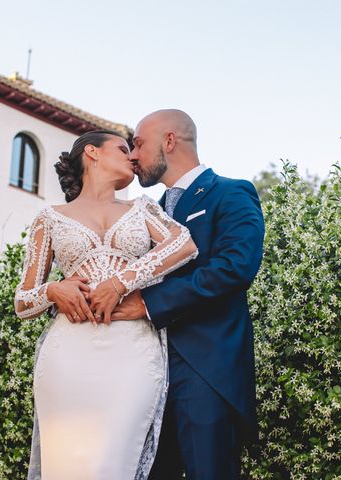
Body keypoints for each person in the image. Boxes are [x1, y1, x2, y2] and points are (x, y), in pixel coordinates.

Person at [13, 129, 198, 479]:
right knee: (67, 467)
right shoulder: (49, 218)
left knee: (114, 463)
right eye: (123, 148)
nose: (132, 157)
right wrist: (54, 291)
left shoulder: (142, 208)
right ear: (93, 153)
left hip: (133, 352)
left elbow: (183, 244)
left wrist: (121, 281)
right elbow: (23, 302)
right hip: (68, 354)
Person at [112, 109, 265, 479]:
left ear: (169, 141)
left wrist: (149, 305)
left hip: (204, 371)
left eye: (138, 144)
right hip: (145, 374)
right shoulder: (145, 214)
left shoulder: (231, 192)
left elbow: (235, 267)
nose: (132, 155)